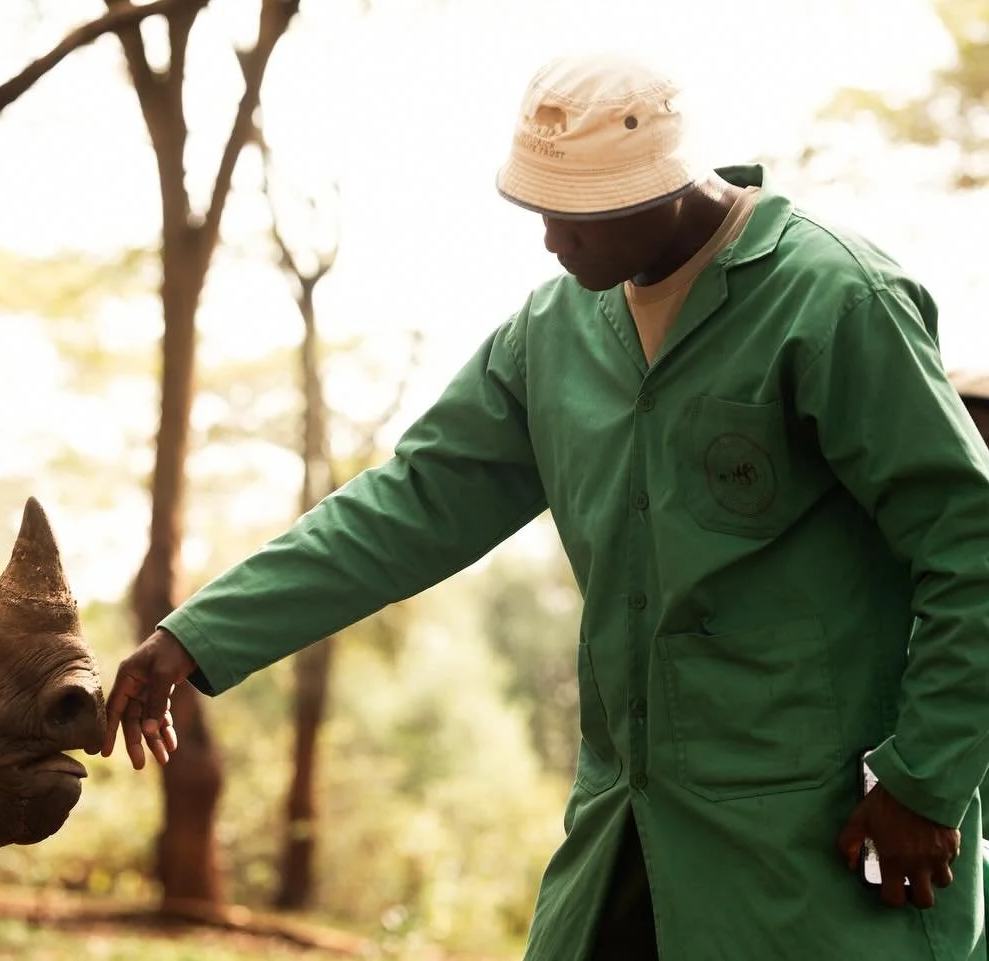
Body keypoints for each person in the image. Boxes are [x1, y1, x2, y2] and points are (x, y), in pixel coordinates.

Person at [100, 49, 989, 961]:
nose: (552, 240)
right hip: (627, 840)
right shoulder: (553, 335)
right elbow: (406, 504)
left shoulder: (836, 301)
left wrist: (927, 780)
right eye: (542, 210)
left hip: (814, 860)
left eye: (578, 215)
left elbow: (971, 548)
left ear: (664, 191)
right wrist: (196, 635)